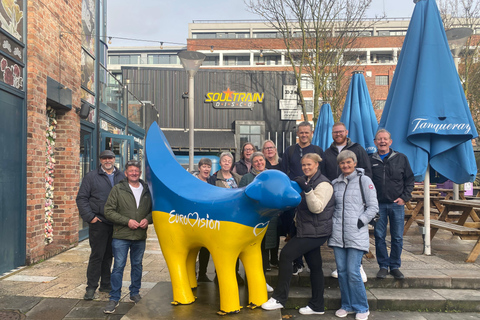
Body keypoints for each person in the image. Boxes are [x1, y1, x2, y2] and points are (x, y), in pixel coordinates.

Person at [262, 153, 335, 315]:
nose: (306, 168)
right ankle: (317, 305)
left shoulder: (324, 184)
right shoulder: (307, 180)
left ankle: (279, 299)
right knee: (315, 266)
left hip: (315, 232)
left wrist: (307, 190)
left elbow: (317, 208)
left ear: (317, 165)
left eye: (309, 164)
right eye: (304, 165)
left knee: (286, 255)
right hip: (306, 229)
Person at [328, 150, 378, 320]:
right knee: (342, 272)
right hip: (337, 235)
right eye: (342, 163)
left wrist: (360, 221)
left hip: (356, 233)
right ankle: (347, 305)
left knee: (353, 271)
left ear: (355, 163)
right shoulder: (335, 183)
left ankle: (362, 307)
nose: (346, 165)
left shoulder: (365, 180)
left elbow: (373, 207)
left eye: (349, 162)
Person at [324, 122, 372, 282]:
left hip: (355, 197)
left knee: (355, 239)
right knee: (339, 235)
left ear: (346, 132)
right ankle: (341, 267)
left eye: (340, 132)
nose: (337, 134)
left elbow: (368, 172)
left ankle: (359, 266)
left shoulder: (357, 149)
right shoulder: (327, 153)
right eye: (334, 132)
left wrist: (363, 216)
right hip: (336, 195)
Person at [103, 160, 152, 314]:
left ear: (140, 173)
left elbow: (154, 210)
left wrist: (148, 219)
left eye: (136, 171)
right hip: (121, 235)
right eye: (131, 171)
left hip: (139, 235)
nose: (134, 173)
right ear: (126, 173)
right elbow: (108, 211)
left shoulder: (146, 189)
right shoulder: (118, 189)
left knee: (137, 265)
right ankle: (114, 297)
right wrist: (127, 221)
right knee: (118, 266)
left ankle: (134, 293)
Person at [76, 150, 125, 301]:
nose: (107, 160)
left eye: (110, 158)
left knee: (109, 255)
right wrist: (90, 217)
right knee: (97, 255)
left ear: (114, 159)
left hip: (115, 223)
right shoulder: (91, 176)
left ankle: (105, 284)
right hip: (99, 222)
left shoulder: (122, 176)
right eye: (104, 158)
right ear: (100, 160)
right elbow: (82, 198)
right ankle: (91, 287)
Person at [370, 129, 414, 280]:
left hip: (397, 204)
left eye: (385, 139)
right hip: (378, 205)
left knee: (397, 237)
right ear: (375, 142)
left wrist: (405, 197)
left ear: (390, 141)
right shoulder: (371, 160)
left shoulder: (401, 158)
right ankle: (383, 266)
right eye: (379, 139)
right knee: (379, 236)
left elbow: (409, 180)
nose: (382, 141)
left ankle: (395, 266)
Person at [281, 121, 324, 275]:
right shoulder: (290, 150)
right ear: (297, 133)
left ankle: (313, 262)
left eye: (307, 132)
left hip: (312, 192)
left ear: (311, 133)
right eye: (301, 132)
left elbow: (322, 172)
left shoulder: (317, 150)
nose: (304, 135)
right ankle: (297, 262)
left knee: (311, 226)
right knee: (294, 228)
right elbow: (284, 172)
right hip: (294, 195)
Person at [238, 152, 276, 293]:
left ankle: (262, 281)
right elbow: (241, 198)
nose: (259, 163)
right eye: (256, 161)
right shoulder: (246, 178)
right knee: (251, 251)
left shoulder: (272, 176)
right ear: (252, 164)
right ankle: (250, 281)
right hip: (252, 222)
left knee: (264, 252)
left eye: (261, 160)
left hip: (269, 220)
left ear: (265, 161)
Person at [207, 152, 243, 284]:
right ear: (220, 163)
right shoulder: (214, 179)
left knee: (235, 247)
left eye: (229, 160)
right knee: (221, 248)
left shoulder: (238, 178)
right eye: (224, 160)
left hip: (236, 219)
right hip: (221, 218)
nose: (227, 162)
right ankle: (219, 274)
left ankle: (235, 273)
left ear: (232, 163)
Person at [261, 140, 282, 267]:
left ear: (275, 149)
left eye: (271, 147)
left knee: (277, 231)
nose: (269, 150)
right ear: (263, 151)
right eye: (266, 148)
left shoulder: (282, 163)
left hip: (279, 201)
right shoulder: (262, 165)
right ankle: (265, 261)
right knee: (265, 233)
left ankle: (274, 258)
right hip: (267, 204)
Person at [193, 158, 213, 282]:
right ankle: (191, 274)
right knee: (193, 249)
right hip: (194, 219)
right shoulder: (193, 181)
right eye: (204, 166)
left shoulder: (211, 181)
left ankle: (202, 274)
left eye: (208, 167)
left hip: (208, 219)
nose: (206, 169)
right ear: (199, 168)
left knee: (206, 248)